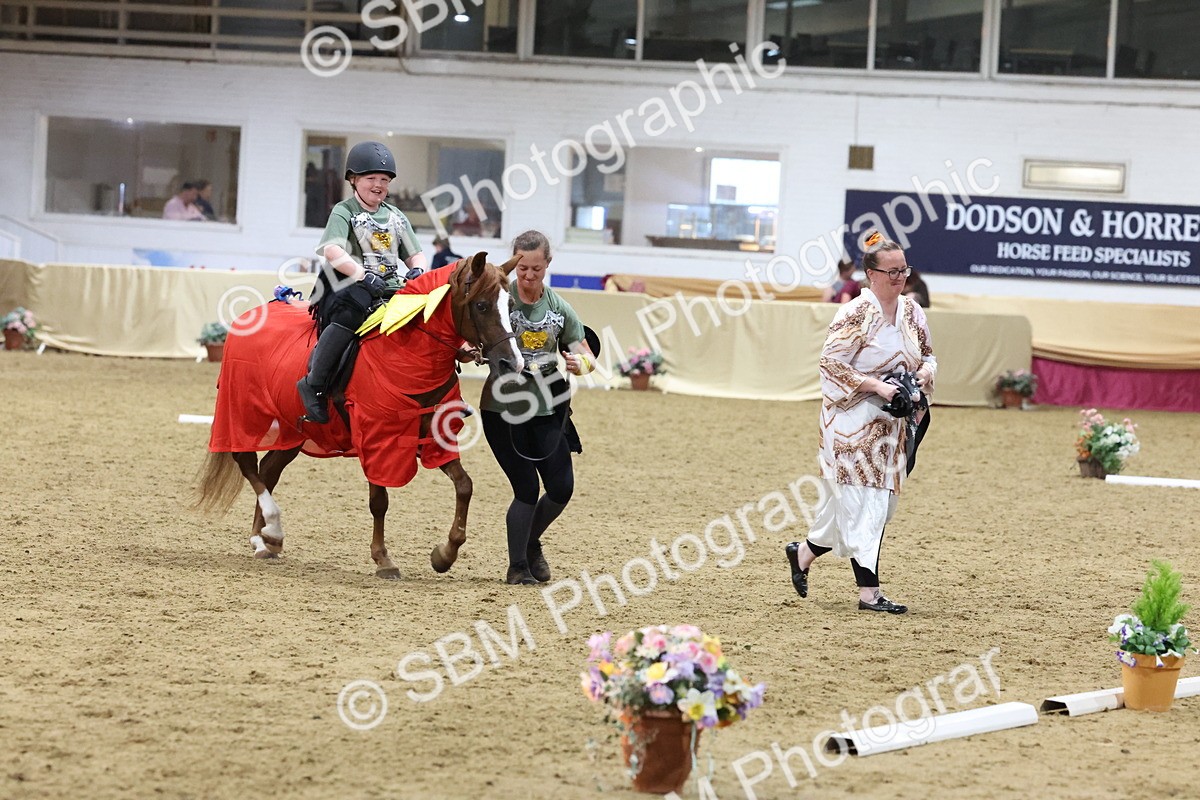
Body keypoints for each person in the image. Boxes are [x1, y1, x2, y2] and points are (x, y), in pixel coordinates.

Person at [785, 230, 936, 614]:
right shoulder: (853, 313)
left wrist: (920, 378)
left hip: (894, 425)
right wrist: (877, 387)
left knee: (873, 506)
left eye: (904, 270)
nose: (900, 277)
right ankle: (869, 593)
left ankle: (803, 552)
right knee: (864, 504)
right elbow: (831, 365)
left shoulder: (913, 312)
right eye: (892, 271)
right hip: (852, 423)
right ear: (871, 274)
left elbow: (929, 357)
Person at [481, 230, 596, 585]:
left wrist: (581, 365)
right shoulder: (498, 300)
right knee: (526, 489)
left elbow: (586, 353)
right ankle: (517, 568)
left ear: (548, 264)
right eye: (522, 268)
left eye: (536, 269)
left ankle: (530, 543)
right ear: (513, 263)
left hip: (549, 405)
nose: (528, 276)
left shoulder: (560, 308)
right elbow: (471, 335)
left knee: (561, 488)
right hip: (503, 407)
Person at [296, 140, 427, 424]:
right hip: (349, 284)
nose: (378, 185)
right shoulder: (344, 211)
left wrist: (417, 270)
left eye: (384, 180)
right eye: (371, 179)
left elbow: (415, 253)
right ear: (354, 180)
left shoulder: (395, 216)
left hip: (391, 287)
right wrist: (363, 276)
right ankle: (314, 383)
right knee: (352, 313)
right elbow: (333, 251)